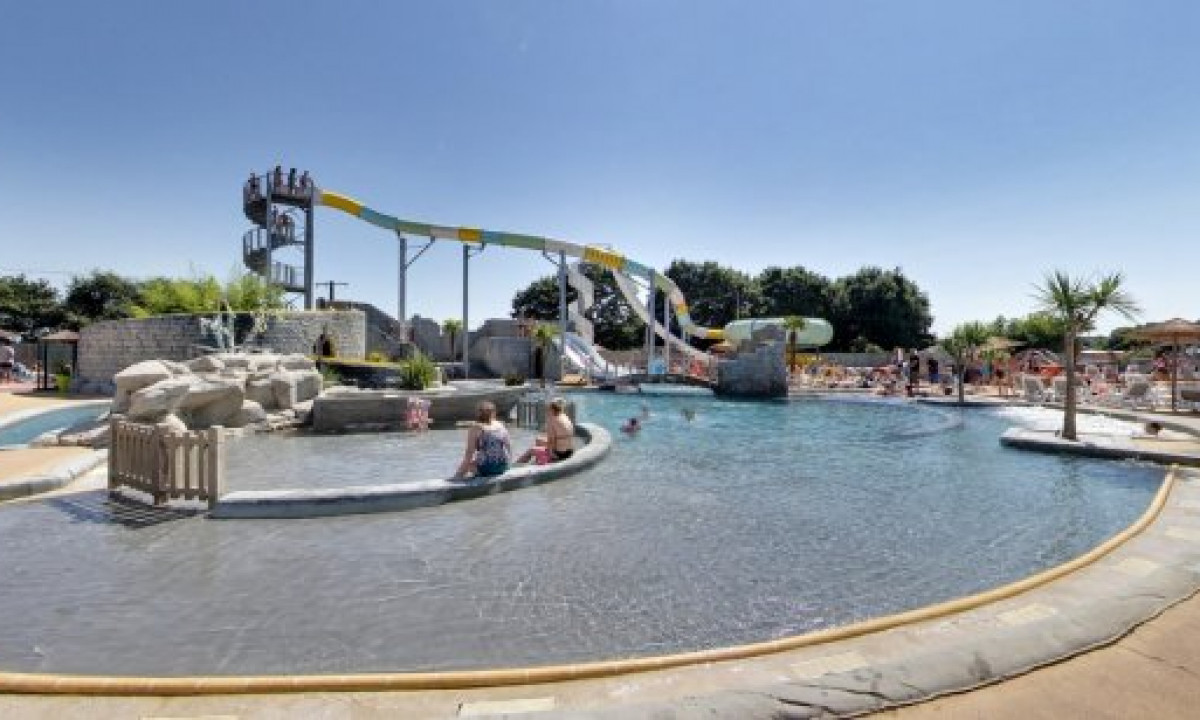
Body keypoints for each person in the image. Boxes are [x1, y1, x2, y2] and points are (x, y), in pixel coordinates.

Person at [454, 401, 511, 479]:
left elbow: (469, 454)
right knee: (475, 461)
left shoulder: (476, 428)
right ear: (494, 413)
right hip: (503, 466)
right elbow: (509, 447)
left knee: (469, 465)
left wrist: (457, 475)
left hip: (487, 469)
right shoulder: (500, 425)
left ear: (478, 413)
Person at [517, 398, 575, 464]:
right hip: (569, 451)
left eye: (549, 408)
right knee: (539, 440)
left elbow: (551, 441)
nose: (547, 409)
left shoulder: (552, 420)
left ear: (552, 409)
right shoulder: (565, 416)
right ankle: (538, 461)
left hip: (560, 454)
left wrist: (551, 454)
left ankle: (517, 466)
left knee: (531, 450)